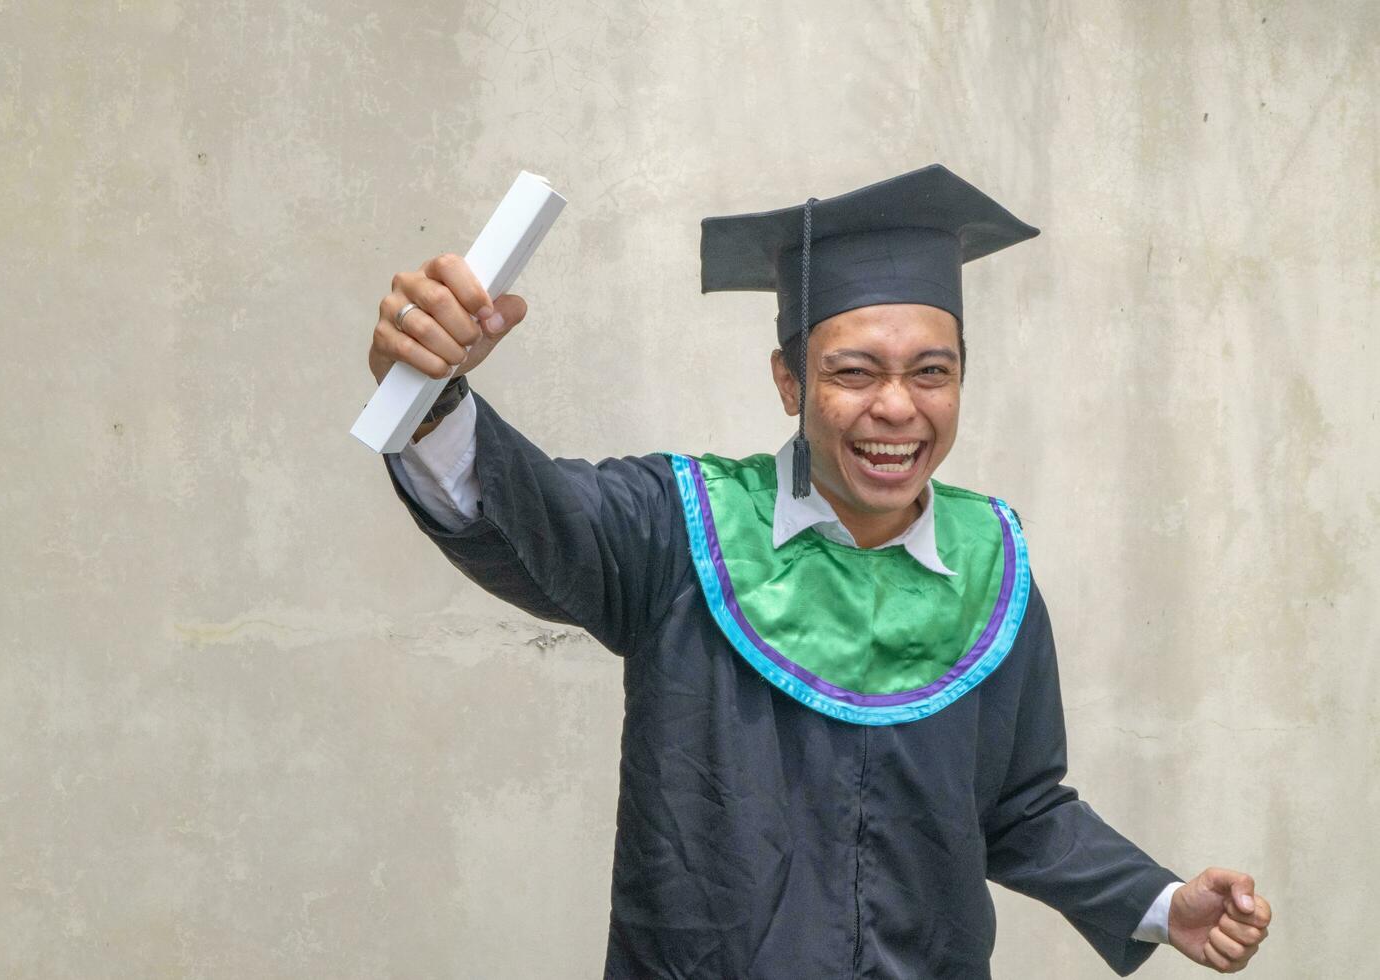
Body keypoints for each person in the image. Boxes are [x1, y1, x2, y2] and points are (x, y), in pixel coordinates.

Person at [367, 165, 1272, 977]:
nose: (897, 407)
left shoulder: (992, 562)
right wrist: (430, 392)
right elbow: (530, 511)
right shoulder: (681, 529)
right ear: (790, 383)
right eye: (853, 371)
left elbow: (1020, 805)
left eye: (931, 371)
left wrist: (1160, 902)